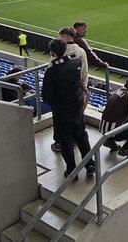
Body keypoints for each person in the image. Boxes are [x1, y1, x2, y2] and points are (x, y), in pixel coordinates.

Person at [40, 39, 95, 179]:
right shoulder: (76, 62)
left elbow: (46, 97)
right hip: (76, 108)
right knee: (82, 136)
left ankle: (71, 170)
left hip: (62, 112)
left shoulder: (52, 71)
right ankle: (90, 164)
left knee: (66, 141)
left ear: (52, 53)